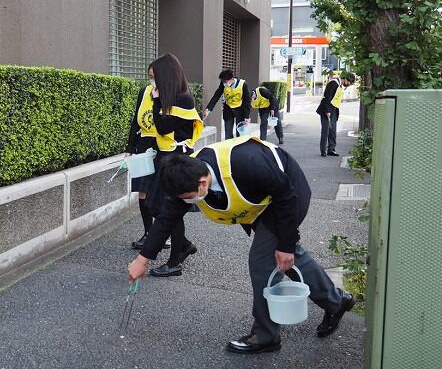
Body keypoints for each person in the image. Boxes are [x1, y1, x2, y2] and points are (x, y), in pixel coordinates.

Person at [127, 136, 356, 353]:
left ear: (203, 182)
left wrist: (286, 243)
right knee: (284, 258)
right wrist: (142, 260)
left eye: (189, 197)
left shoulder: (248, 163)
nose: (187, 202)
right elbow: (167, 219)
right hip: (262, 201)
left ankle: (266, 335)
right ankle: (336, 301)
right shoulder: (184, 178)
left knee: (263, 263)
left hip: (287, 195)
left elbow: (286, 195)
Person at [143, 53, 204, 277]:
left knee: (169, 210)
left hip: (177, 161)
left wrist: (157, 100)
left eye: (154, 77)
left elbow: (161, 127)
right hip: (166, 158)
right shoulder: (171, 98)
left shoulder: (183, 99)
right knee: (158, 207)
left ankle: (176, 258)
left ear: (165, 77)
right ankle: (183, 247)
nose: (152, 82)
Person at [124, 71, 168, 250]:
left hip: (161, 147)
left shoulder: (170, 94)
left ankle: (163, 235)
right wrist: (129, 148)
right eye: (150, 75)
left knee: (160, 193)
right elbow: (135, 121)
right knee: (142, 191)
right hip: (143, 146)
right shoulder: (144, 92)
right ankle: (148, 233)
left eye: (156, 75)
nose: (153, 79)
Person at [204, 69, 251, 140]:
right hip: (228, 108)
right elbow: (217, 95)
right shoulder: (223, 84)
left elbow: (247, 101)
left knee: (240, 132)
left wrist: (246, 116)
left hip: (240, 109)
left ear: (231, 79)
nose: (224, 83)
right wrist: (209, 109)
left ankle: (238, 148)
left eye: (225, 81)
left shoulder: (243, 84)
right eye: (223, 81)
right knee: (228, 134)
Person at [316, 73, 353, 156]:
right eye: (349, 82)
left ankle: (331, 150)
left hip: (333, 111)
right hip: (326, 110)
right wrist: (327, 111)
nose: (349, 84)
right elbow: (327, 97)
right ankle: (323, 151)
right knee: (326, 131)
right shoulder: (333, 83)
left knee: (332, 131)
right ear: (345, 79)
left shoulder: (339, 85)